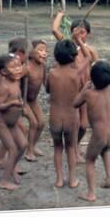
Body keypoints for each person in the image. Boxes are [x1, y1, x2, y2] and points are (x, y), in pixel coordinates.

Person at [52, 10, 98, 163]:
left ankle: (75, 146)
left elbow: (95, 66)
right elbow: (54, 30)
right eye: (76, 31)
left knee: (84, 125)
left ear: (88, 34)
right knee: (75, 122)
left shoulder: (90, 50)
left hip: (84, 90)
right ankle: (73, 151)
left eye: (82, 32)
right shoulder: (67, 45)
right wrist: (60, 15)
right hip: (70, 92)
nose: (79, 34)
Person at [74, 60, 110, 202]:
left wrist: (84, 88)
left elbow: (75, 103)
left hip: (99, 134)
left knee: (89, 160)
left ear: (92, 78)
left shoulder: (88, 94)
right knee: (105, 151)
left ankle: (91, 193)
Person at [46, 39, 85, 188]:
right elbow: (81, 93)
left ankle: (59, 179)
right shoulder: (77, 75)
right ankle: (73, 179)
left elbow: (48, 89)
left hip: (55, 117)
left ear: (56, 56)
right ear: (74, 56)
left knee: (57, 148)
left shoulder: (52, 73)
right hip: (71, 117)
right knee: (70, 148)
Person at [0, 54, 27, 191]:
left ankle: (11, 167)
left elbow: (19, 94)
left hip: (13, 123)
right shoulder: (4, 87)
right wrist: (12, 103)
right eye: (13, 67)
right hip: (2, 124)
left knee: (23, 145)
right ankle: (4, 181)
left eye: (19, 66)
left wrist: (21, 105)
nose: (18, 70)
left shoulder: (16, 80)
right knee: (13, 149)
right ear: (4, 72)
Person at [24, 40, 48, 161]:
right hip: (23, 100)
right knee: (33, 123)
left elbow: (46, 84)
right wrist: (21, 104)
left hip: (33, 100)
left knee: (41, 123)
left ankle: (32, 145)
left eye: (45, 50)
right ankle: (28, 152)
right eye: (40, 50)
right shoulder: (26, 67)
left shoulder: (42, 66)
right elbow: (16, 87)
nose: (44, 53)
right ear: (31, 53)